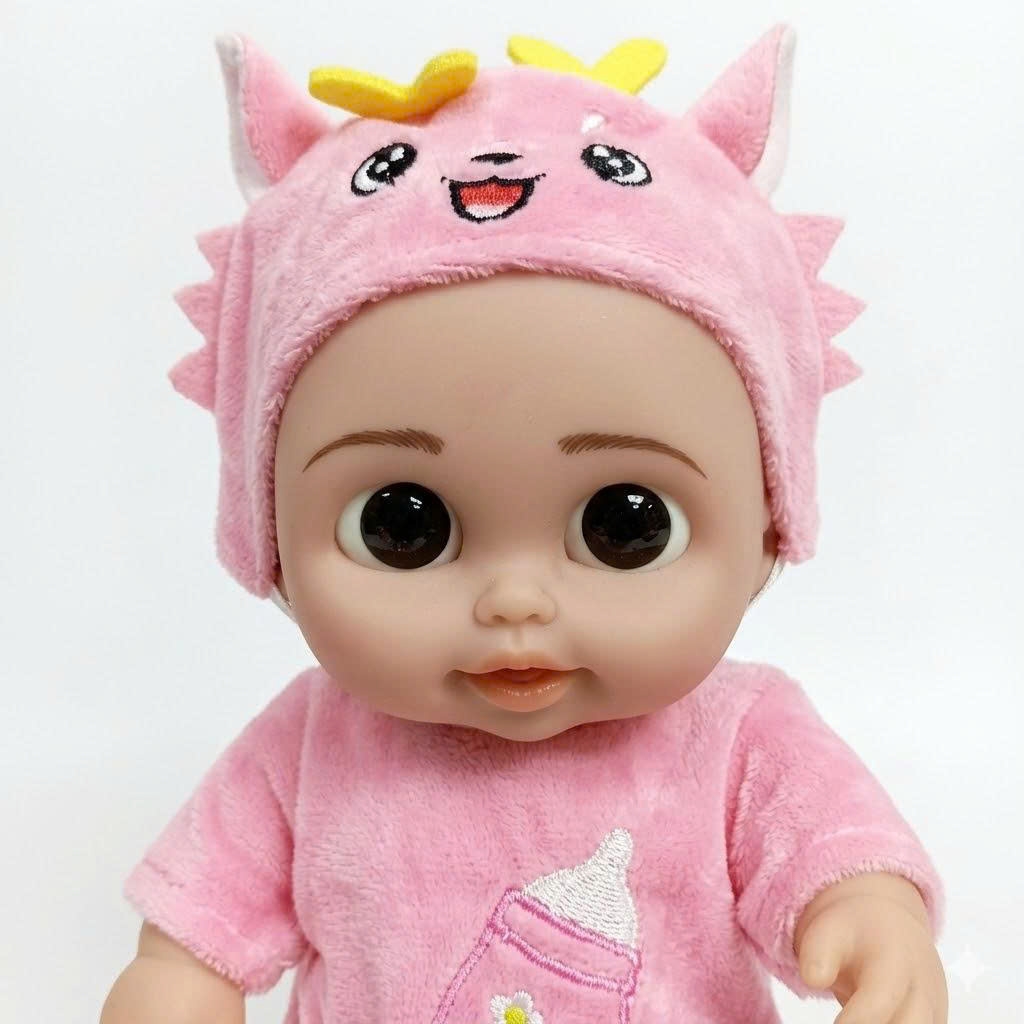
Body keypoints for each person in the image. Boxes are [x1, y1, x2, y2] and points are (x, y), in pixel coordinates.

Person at [100, 25, 948, 1024]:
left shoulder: (736, 736)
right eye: (403, 526)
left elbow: (834, 856)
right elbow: (195, 932)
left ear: (768, 522)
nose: (513, 599)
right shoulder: (310, 745)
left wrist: (870, 915)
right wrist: (176, 984)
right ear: (268, 536)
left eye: (625, 526)